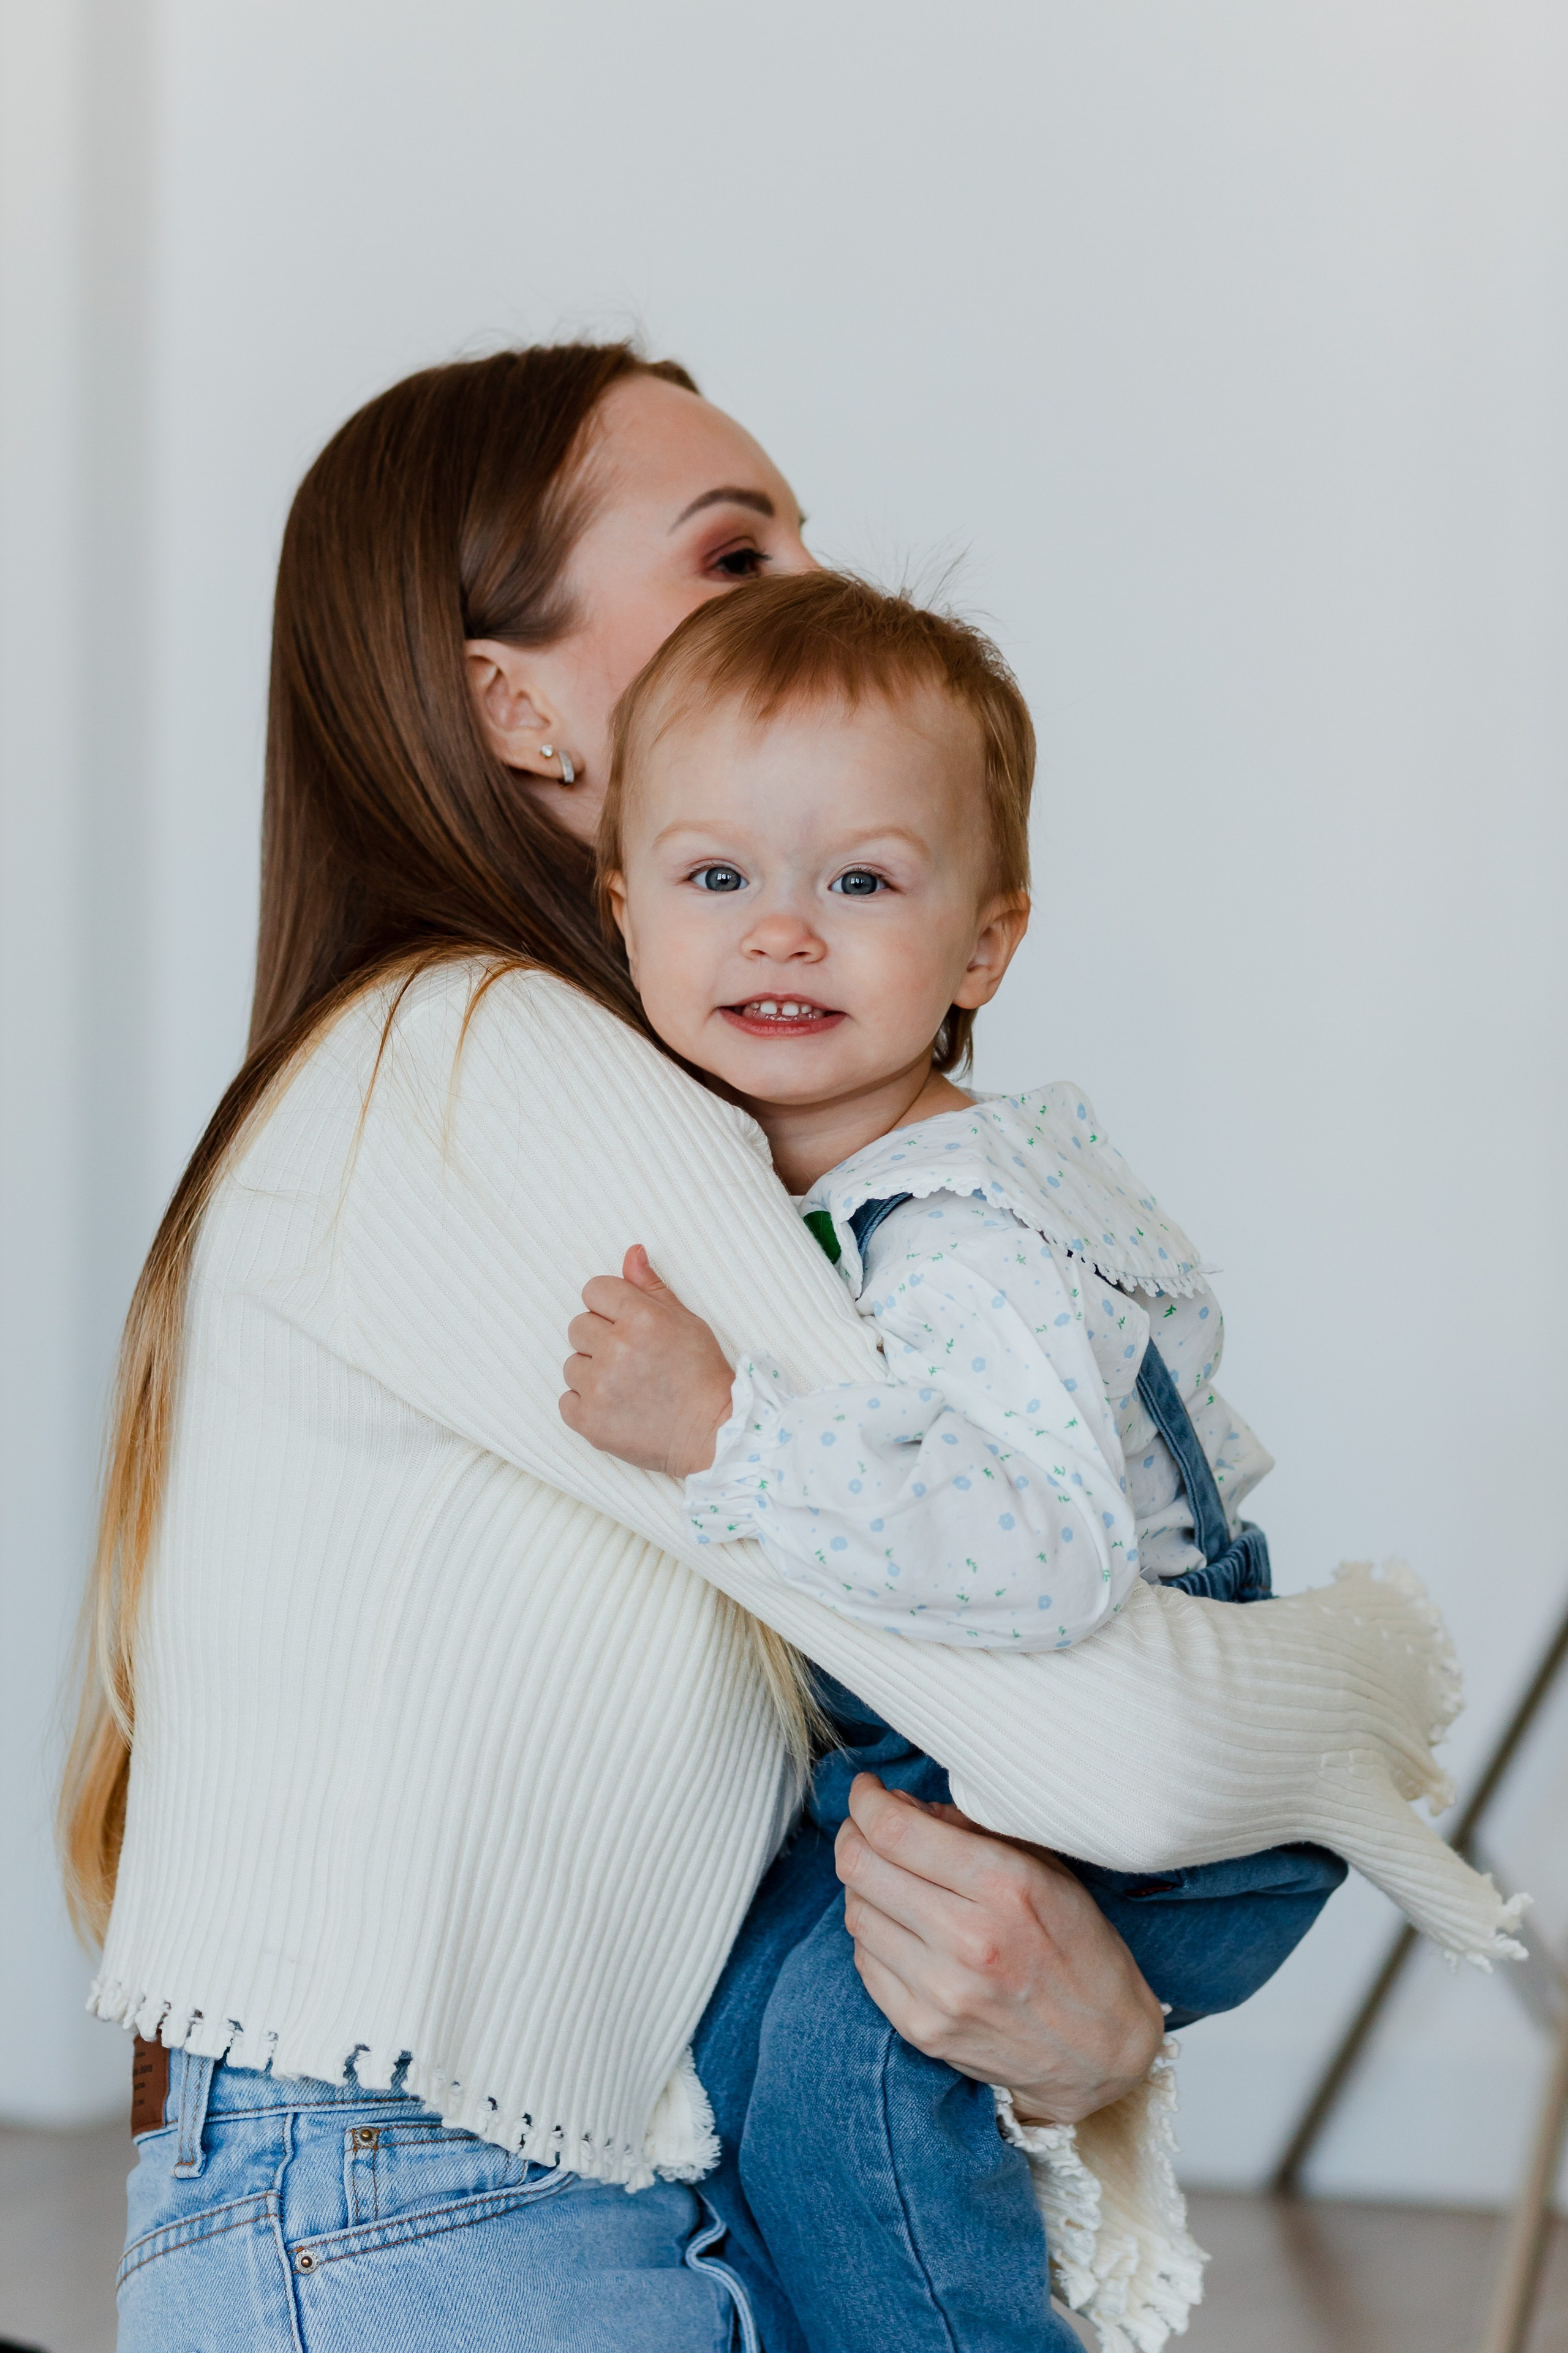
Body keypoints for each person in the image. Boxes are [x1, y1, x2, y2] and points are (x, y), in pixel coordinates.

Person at [60, 345, 1513, 2353]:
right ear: (519, 707)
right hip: (435, 2217)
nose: (826, 590)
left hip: (464, 2196)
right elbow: (1108, 1730)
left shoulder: (525, 1091)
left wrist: (1071, 2019)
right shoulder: (512, 1072)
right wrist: (1369, 1699)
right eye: (738, 550)